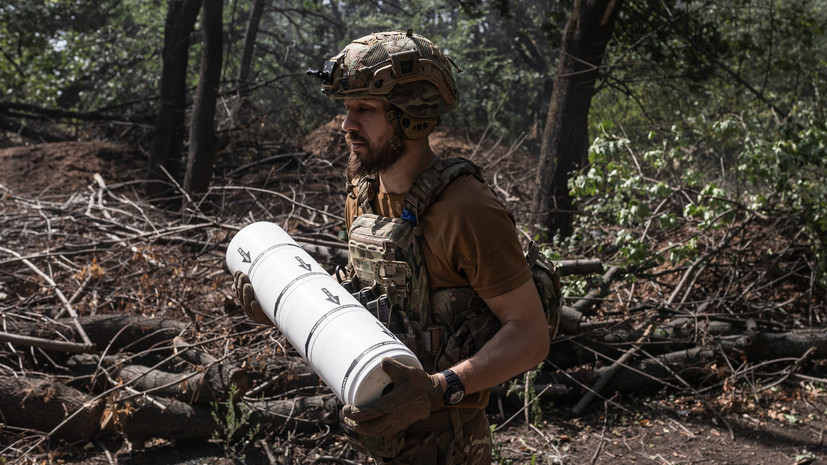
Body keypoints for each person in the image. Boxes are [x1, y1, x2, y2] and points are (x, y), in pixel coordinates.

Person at [234, 29, 549, 464]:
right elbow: (364, 311)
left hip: (449, 443)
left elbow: (531, 336)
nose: (347, 125)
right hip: (378, 434)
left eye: (364, 109)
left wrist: (440, 387)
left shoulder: (467, 210)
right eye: (346, 109)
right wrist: (281, 306)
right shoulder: (362, 197)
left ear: (410, 116)